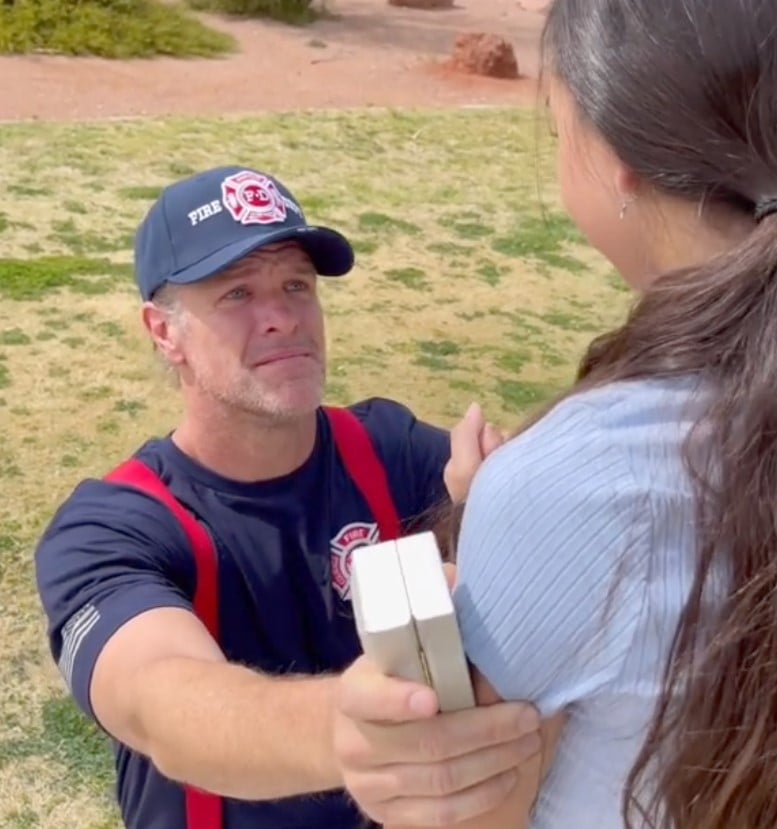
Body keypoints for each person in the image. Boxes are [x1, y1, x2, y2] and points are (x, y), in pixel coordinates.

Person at [333, 1, 777, 828]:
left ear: (619, 157)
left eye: (560, 124)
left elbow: (469, 814)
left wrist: (507, 513)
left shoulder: (581, 478)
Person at [33, 165, 541, 829]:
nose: (281, 318)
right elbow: (164, 703)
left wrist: (493, 503)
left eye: (296, 285)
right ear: (164, 331)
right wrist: (350, 731)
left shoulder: (386, 451)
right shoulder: (113, 527)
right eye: (237, 292)